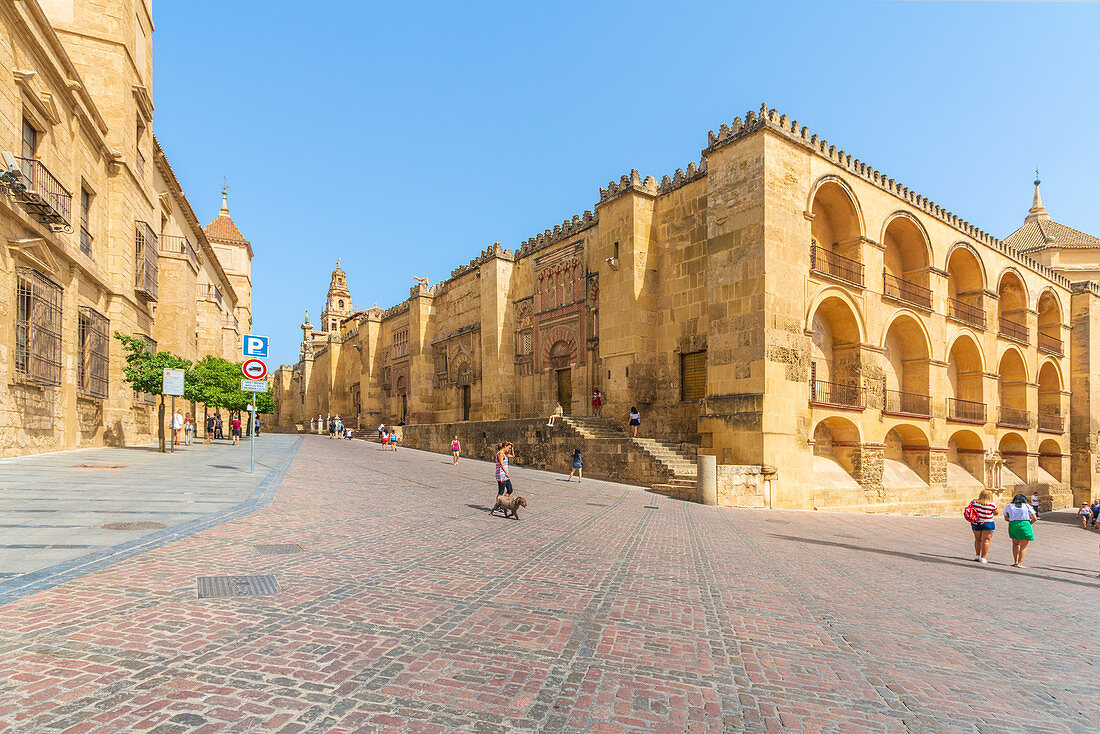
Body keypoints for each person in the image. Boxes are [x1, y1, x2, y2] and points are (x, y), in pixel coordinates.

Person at [1004, 493, 1037, 568]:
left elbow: (1006, 518)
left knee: (1015, 544)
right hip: (1025, 524)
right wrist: (1029, 524)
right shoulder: (1027, 506)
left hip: (1013, 525)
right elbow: (1034, 518)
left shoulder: (1009, 506)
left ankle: (1015, 561)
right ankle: (1020, 563)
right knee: (1023, 546)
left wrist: (1014, 521)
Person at [966, 489, 997, 564]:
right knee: (986, 541)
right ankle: (983, 557)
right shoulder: (992, 504)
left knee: (977, 539)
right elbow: (996, 512)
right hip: (988, 523)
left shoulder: (974, 503)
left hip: (976, 523)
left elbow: (970, 510)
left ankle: (977, 555)